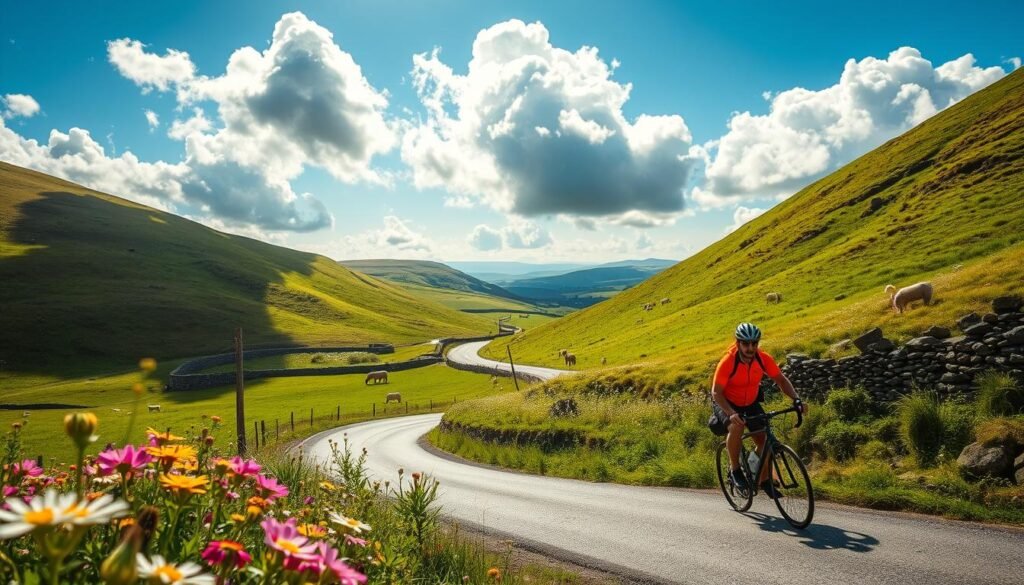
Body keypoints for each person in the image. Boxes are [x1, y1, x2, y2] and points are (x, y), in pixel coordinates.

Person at [710, 322, 806, 498]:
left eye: (754, 343)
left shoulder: (762, 358)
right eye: (746, 344)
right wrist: (731, 413)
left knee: (766, 441)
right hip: (726, 402)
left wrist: (796, 399)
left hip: (750, 402)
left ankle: (763, 480)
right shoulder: (728, 362)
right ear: (738, 343)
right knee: (736, 426)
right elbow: (716, 392)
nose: (750, 348)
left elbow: (781, 381)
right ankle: (735, 469)